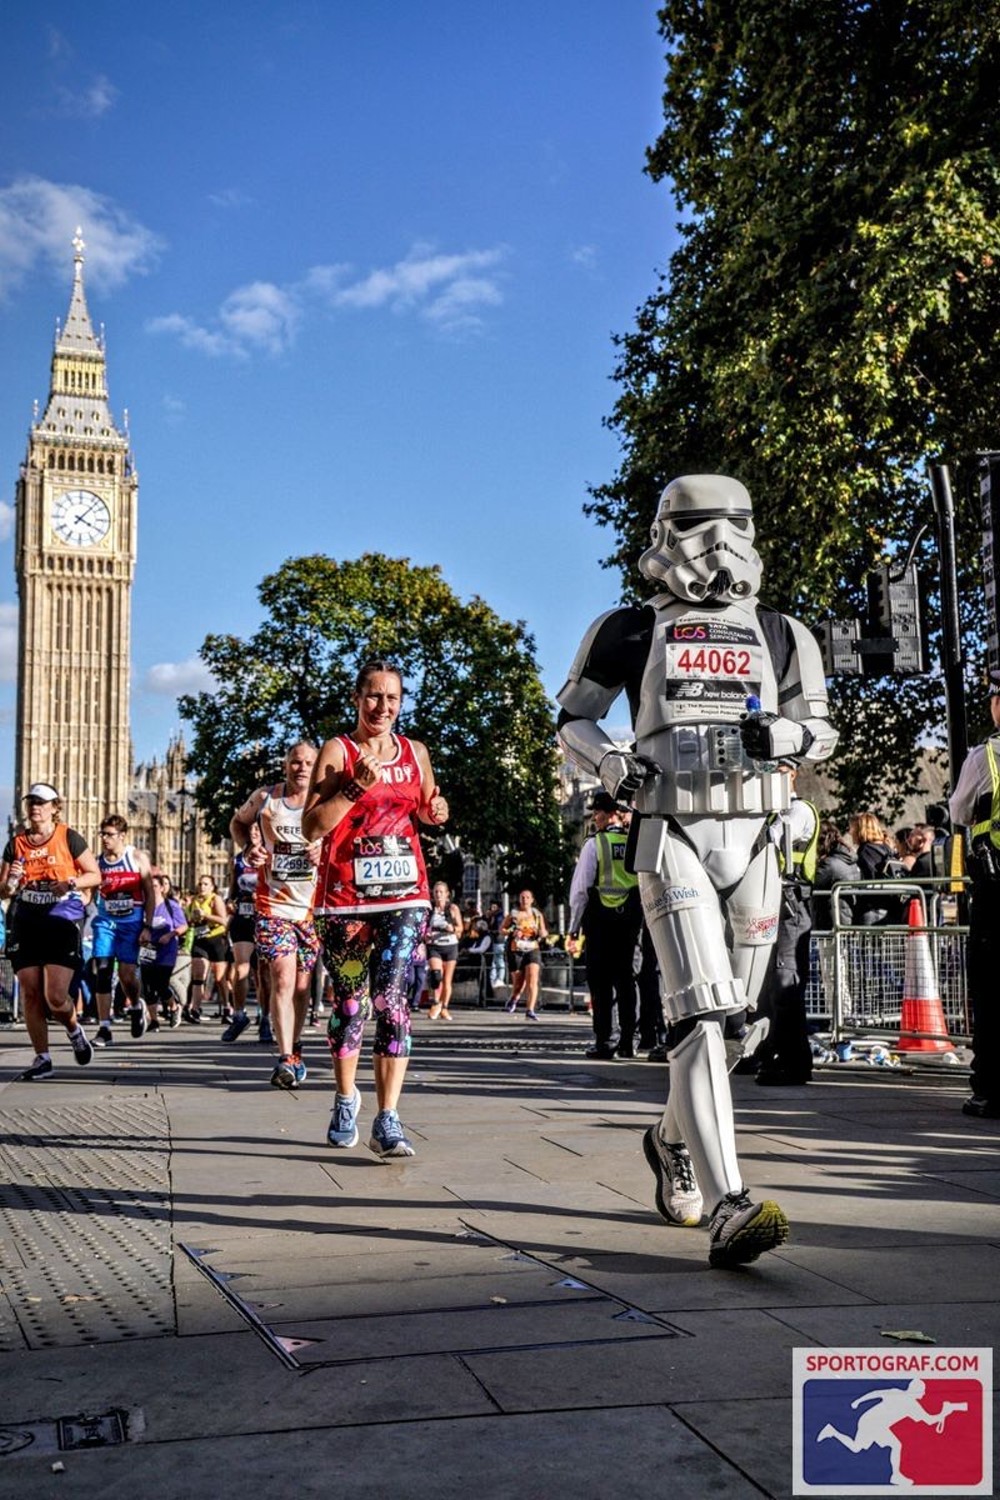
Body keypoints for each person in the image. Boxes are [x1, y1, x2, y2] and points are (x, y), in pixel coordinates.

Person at [557, 473, 837, 1266]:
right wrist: (610, 762)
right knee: (700, 1012)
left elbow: (819, 728)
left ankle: (669, 1141)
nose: (717, 545)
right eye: (698, 526)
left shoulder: (782, 632)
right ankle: (729, 1203)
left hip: (756, 837)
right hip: (670, 829)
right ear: (664, 533)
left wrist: (787, 738)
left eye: (732, 525)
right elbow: (574, 717)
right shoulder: (629, 628)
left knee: (741, 1029)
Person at [303, 660, 449, 1156]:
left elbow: (427, 806)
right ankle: (346, 1098)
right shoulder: (337, 751)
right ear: (356, 698)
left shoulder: (415, 752)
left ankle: (388, 1118)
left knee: (391, 997)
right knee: (350, 1004)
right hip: (345, 898)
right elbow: (312, 826)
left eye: (392, 698)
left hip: (405, 893)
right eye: (373, 696)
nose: (382, 707)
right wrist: (354, 787)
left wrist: (436, 811)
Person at [229, 741, 321, 1085]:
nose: (302, 767)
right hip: (273, 905)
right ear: (286, 765)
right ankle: (284, 1059)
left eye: (309, 762)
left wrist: (324, 852)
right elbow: (238, 823)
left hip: (312, 909)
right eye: (296, 762)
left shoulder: (326, 802)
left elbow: (346, 841)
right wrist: (249, 848)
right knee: (282, 977)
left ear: (317, 767)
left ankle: (295, 1048)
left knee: (302, 986)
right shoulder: (265, 798)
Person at [0, 783, 101, 1080]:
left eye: (41, 802)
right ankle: (42, 1058)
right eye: (31, 801)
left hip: (61, 916)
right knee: (31, 993)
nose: (35, 807)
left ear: (55, 807)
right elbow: (3, 890)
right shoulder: (16, 844)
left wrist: (71, 883)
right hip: (27, 919)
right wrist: (11, 883)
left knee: (56, 996)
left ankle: (74, 1030)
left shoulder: (69, 837)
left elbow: (94, 875)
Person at [948, 676, 1000, 1119]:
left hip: (996, 890)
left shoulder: (986, 757)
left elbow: (960, 810)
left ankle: (991, 1089)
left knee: (991, 989)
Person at [754, 761, 819, 1086]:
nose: (770, 776)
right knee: (767, 987)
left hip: (792, 905)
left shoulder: (798, 810)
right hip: (771, 903)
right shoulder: (770, 814)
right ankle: (767, 1055)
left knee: (785, 983)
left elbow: (772, 838)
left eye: (777, 769)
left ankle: (793, 1063)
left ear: (793, 773)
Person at [567, 791, 642, 1059]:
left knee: (601, 983)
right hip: (631, 921)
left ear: (611, 813)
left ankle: (605, 1040)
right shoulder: (635, 842)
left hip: (600, 921)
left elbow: (580, 891)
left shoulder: (595, 844)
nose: (594, 818)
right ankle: (629, 1040)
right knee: (627, 981)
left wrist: (573, 927)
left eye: (597, 812)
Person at [91, 813, 157, 1047]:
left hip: (131, 923)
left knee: (127, 975)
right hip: (105, 922)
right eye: (102, 834)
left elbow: (150, 894)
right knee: (103, 970)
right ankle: (104, 1028)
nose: (104, 839)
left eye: (109, 835)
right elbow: (88, 894)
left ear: (122, 835)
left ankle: (137, 1005)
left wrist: (148, 926)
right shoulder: (97, 862)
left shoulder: (137, 858)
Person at [139, 873, 188, 1029]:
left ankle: (174, 1007)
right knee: (148, 985)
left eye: (155, 886)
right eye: (149, 886)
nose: (152, 889)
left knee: (161, 983)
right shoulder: (143, 907)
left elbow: (183, 926)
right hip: (147, 948)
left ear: (162, 888)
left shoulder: (171, 905)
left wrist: (170, 935)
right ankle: (154, 1021)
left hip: (166, 950)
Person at [222, 851, 260, 1042]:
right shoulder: (237, 860)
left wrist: (260, 897)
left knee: (263, 975)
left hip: (264, 918)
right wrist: (229, 902)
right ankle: (239, 1015)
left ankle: (265, 1017)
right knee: (240, 968)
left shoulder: (271, 853)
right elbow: (232, 889)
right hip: (242, 918)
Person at [184, 875, 231, 1023]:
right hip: (199, 939)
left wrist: (206, 915)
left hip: (216, 940)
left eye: (205, 884)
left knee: (219, 978)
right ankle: (195, 1009)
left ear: (212, 887)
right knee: (198, 976)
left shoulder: (215, 899)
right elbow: (189, 921)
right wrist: (192, 919)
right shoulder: (194, 901)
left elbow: (224, 921)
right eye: (200, 884)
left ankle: (226, 1007)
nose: (202, 887)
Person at [501, 890, 548, 1020]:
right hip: (516, 949)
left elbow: (544, 932)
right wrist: (512, 931)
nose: (525, 900)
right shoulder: (514, 914)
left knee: (533, 979)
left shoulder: (537, 915)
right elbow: (502, 929)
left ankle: (530, 1010)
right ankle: (514, 997)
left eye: (527, 897)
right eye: (522, 897)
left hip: (532, 948)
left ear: (532, 900)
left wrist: (542, 933)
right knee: (519, 983)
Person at [425, 881, 463, 1019]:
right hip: (434, 945)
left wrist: (452, 928)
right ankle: (435, 1003)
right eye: (436, 892)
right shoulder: (429, 909)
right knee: (436, 976)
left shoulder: (452, 908)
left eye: (441, 892)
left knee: (447, 980)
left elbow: (460, 928)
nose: (438, 894)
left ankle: (444, 1007)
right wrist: (425, 935)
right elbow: (422, 927)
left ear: (447, 894)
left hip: (450, 945)